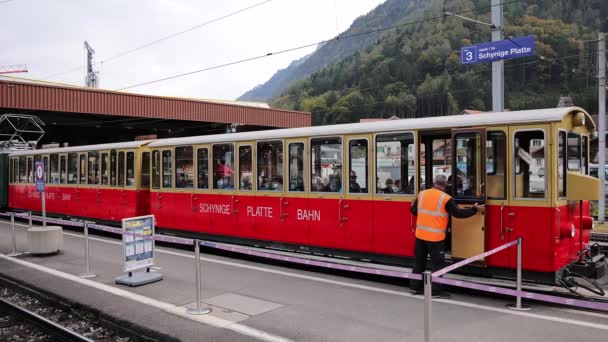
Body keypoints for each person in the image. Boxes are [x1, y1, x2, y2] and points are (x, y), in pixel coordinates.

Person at [409, 174, 480, 299]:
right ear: (445, 185)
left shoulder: (422, 194)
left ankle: (414, 287)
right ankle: (436, 291)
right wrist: (474, 210)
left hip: (420, 235)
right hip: (435, 238)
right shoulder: (446, 198)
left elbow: (414, 211)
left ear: (433, 183)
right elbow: (458, 214)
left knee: (419, 262)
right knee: (438, 265)